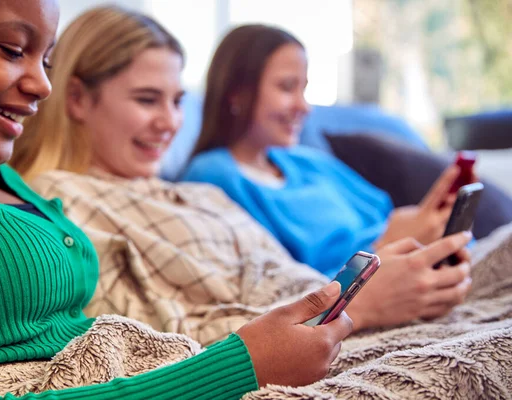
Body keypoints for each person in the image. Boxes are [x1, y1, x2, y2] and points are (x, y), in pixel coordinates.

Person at [0, 1, 354, 398]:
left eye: (47, 60)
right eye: (12, 50)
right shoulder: (59, 187)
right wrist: (240, 366)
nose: (44, 85)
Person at [10, 5, 472, 339]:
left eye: (176, 102)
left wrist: (384, 282)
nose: (170, 123)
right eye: (147, 100)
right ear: (76, 99)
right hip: (331, 329)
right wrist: (361, 305)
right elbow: (157, 341)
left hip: (344, 310)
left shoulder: (191, 195)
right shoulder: (61, 204)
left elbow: (292, 277)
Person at [181, 24, 471, 277]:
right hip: (366, 289)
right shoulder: (213, 176)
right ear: (237, 93)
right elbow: (278, 287)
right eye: (286, 87)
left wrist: (427, 224)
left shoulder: (307, 161)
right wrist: (382, 249)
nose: (304, 107)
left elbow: (385, 218)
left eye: (304, 89)